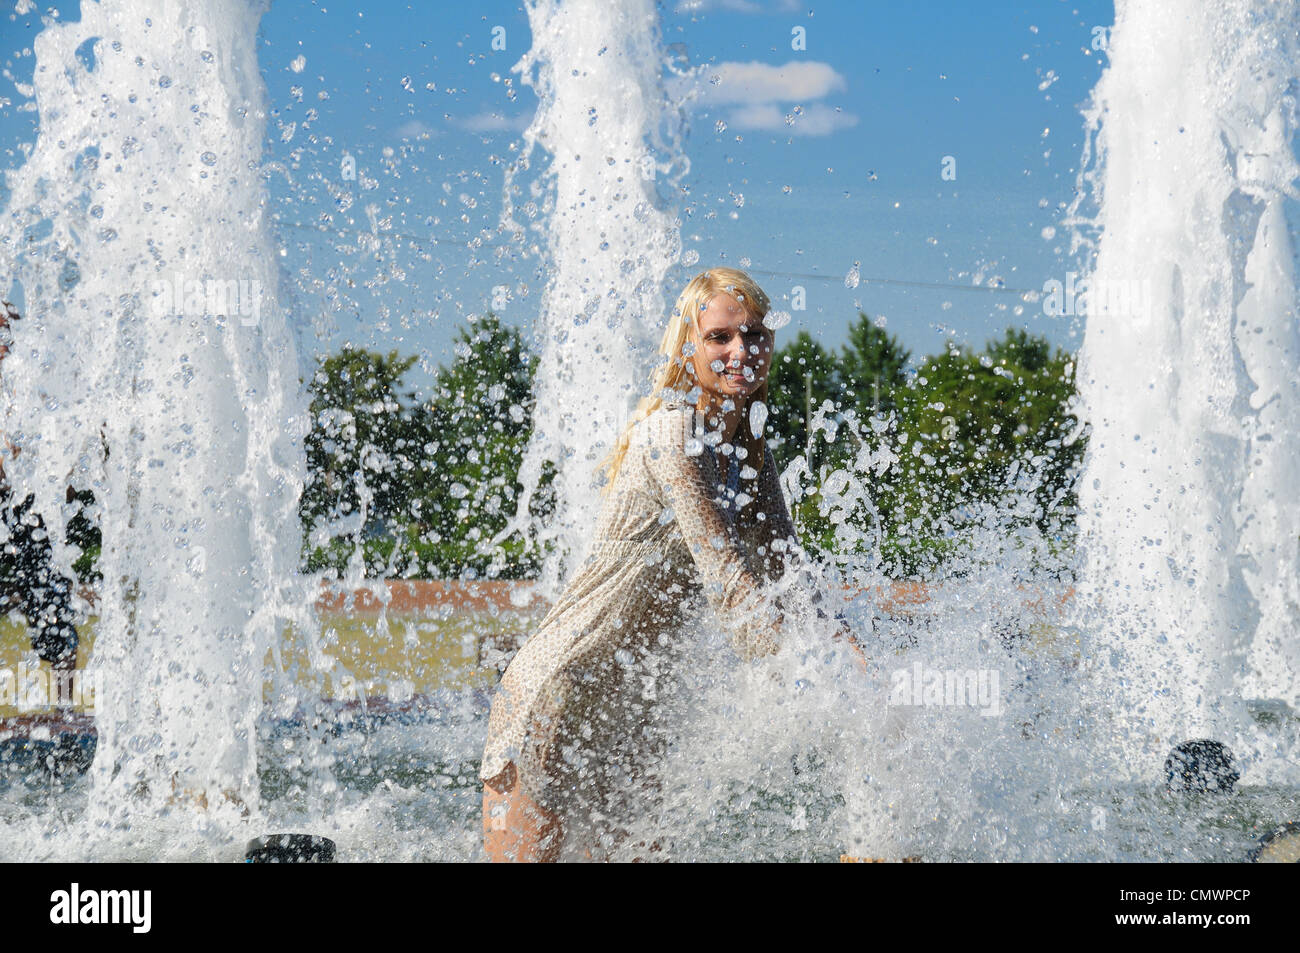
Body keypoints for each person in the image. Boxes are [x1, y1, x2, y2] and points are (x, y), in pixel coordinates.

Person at [479, 267, 860, 862]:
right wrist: (817, 691)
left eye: (755, 334)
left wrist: (863, 672)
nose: (741, 350)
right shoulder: (669, 434)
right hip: (556, 693)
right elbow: (732, 589)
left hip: (636, 714)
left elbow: (794, 586)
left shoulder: (749, 454)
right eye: (719, 337)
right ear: (688, 347)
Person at [0, 300, 80, 682]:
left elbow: (53, 441)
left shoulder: (27, 382)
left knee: (50, 600)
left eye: (7, 330)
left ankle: (65, 710)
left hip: (23, 500)